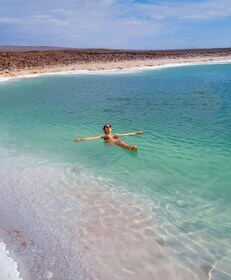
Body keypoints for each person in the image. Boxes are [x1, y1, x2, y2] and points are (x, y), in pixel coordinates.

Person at [73, 123, 144, 151]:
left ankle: (129, 148)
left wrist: (137, 132)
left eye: (110, 126)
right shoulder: (103, 136)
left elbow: (127, 134)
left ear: (111, 128)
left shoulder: (115, 135)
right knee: (119, 141)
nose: (109, 127)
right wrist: (80, 139)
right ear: (104, 129)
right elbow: (92, 138)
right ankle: (130, 147)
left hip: (117, 143)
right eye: (107, 127)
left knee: (119, 141)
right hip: (112, 143)